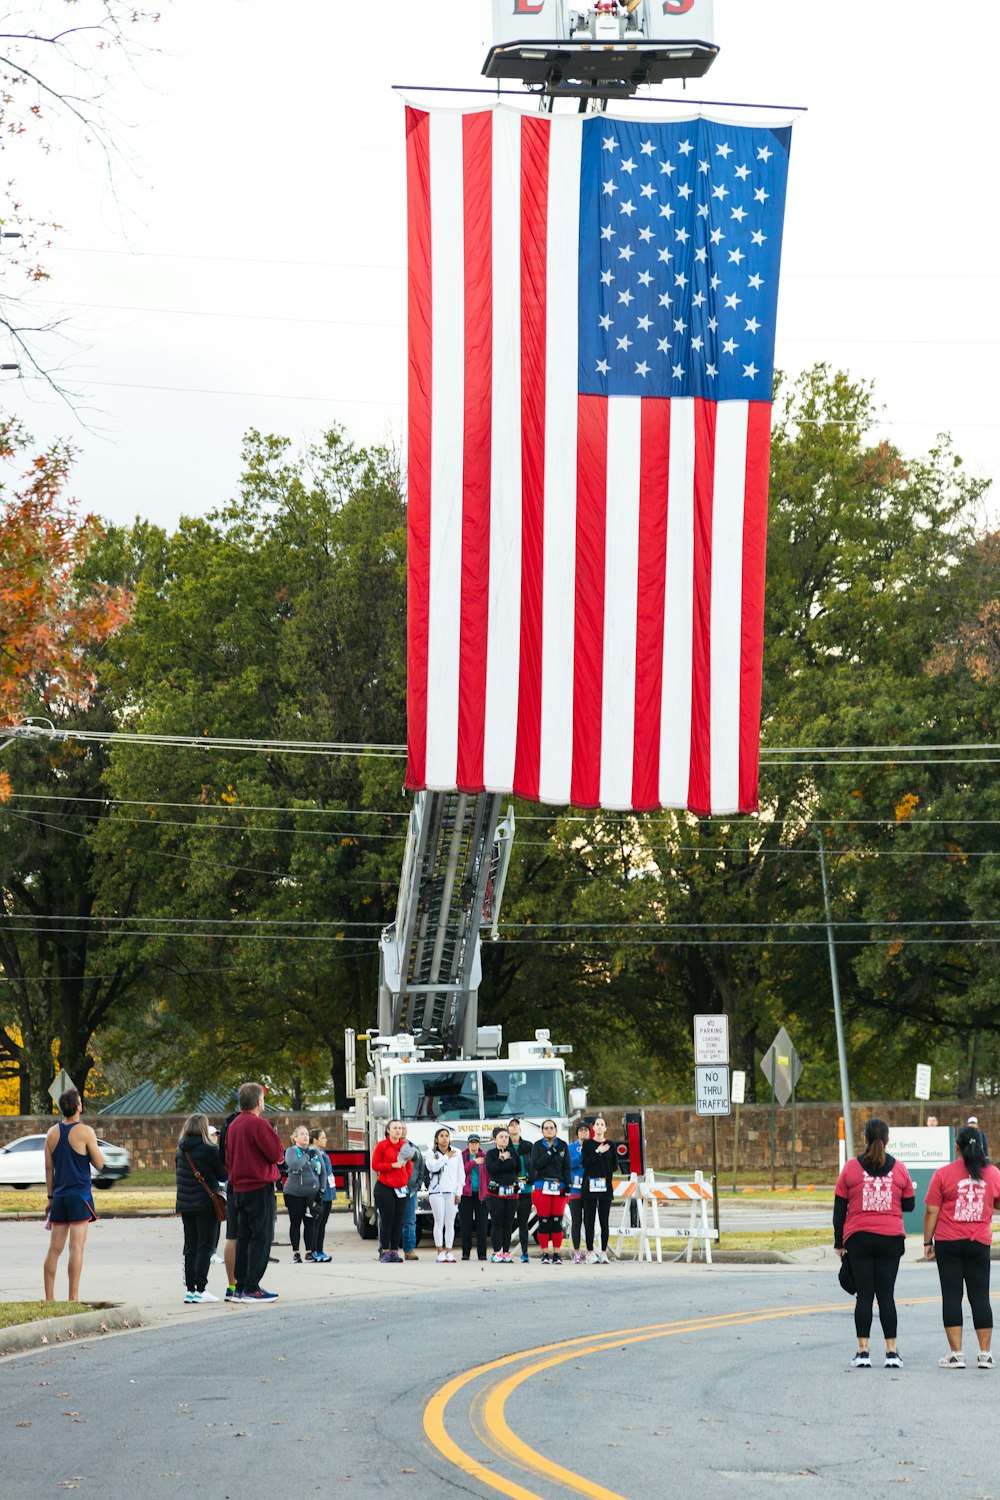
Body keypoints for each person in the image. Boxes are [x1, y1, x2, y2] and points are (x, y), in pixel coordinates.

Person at [834, 1117, 915, 1369]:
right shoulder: (899, 1168)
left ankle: (863, 1351)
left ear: (865, 1139)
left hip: (859, 1239)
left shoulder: (850, 1168)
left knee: (864, 1297)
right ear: (888, 1140)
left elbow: (839, 1209)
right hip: (890, 1239)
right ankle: (891, 1352)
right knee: (887, 1296)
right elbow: (909, 1204)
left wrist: (839, 1242)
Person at [924, 1124, 1000, 1368]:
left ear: (956, 1146)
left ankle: (956, 1354)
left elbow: (932, 1210)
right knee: (980, 1296)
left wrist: (928, 1241)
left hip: (949, 1242)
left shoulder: (943, 1174)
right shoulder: (993, 1173)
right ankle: (985, 1354)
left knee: (952, 1296)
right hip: (979, 1242)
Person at [224, 1081, 285, 1302]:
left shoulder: (234, 1125)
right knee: (261, 1236)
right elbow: (276, 1153)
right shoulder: (258, 1124)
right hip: (259, 1186)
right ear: (259, 1102)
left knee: (244, 1236)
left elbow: (228, 1157)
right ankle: (252, 1286)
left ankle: (240, 1285)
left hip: (239, 1187)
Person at [43, 1089, 103, 1303]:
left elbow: (49, 1169)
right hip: (80, 1195)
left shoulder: (51, 1133)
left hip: (59, 1196)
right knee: (76, 1247)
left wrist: (50, 1198)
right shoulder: (85, 1132)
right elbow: (99, 1163)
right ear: (78, 1107)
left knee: (54, 1249)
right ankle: (73, 1298)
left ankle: (49, 1299)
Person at [174, 1112, 225, 1304]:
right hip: (206, 1203)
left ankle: (190, 1290)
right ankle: (201, 1289)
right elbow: (222, 1174)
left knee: (190, 1246)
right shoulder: (210, 1149)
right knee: (205, 1246)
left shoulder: (181, 1150)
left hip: (186, 1204)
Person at [529, 1118, 571, 1265]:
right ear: (542, 1131)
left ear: (556, 1130)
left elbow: (567, 1167)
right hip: (542, 1186)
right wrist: (549, 1152)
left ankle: (557, 1254)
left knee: (556, 1221)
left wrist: (568, 1185)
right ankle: (545, 1253)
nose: (548, 1130)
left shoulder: (563, 1145)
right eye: (545, 1128)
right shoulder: (537, 1146)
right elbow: (536, 1165)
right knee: (544, 1220)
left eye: (551, 1127)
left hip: (559, 1186)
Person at [371, 1119, 412, 1263]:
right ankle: (385, 1251)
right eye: (395, 1128)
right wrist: (391, 1165)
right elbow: (375, 1165)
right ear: (388, 1130)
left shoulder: (405, 1146)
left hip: (401, 1188)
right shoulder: (382, 1146)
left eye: (400, 1128)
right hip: (385, 1187)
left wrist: (405, 1177)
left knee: (398, 1221)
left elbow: (409, 1165)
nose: (398, 1131)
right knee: (387, 1220)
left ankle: (395, 1251)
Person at [284, 1125, 321, 1264]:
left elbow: (321, 1171)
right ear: (295, 1138)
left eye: (306, 1134)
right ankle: (296, 1252)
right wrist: (306, 1156)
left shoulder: (314, 1152)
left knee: (310, 1223)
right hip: (294, 1193)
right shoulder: (291, 1151)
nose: (305, 1136)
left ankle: (309, 1252)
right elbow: (295, 1165)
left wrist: (321, 1189)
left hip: (311, 1194)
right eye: (301, 1134)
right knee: (296, 1223)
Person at [581, 1115, 616, 1263]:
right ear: (593, 1128)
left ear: (606, 1128)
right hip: (590, 1186)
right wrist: (598, 1152)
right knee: (589, 1220)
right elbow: (585, 1163)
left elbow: (614, 1165)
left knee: (604, 1220)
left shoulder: (611, 1144)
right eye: (597, 1124)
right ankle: (589, 1251)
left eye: (602, 1124)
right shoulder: (588, 1144)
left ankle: (603, 1252)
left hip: (605, 1187)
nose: (600, 1127)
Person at [426, 1127, 463, 1262]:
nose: (444, 1138)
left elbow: (461, 1174)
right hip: (436, 1192)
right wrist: (446, 1157)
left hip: (452, 1192)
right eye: (441, 1136)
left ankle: (449, 1251)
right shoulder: (431, 1153)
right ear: (436, 1139)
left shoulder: (457, 1153)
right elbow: (433, 1167)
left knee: (450, 1222)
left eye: (446, 1135)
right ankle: (440, 1251)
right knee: (439, 1221)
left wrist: (459, 1192)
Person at [485, 1126, 520, 1262]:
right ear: (495, 1139)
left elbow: (518, 1169)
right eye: (501, 1137)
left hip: (511, 1192)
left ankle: (506, 1252)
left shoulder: (513, 1153)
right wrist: (501, 1159)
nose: (504, 1139)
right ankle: (496, 1251)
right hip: (495, 1193)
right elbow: (491, 1170)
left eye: (506, 1137)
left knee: (508, 1223)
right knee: (497, 1223)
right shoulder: (491, 1154)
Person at [507, 1118, 534, 1264]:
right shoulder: (506, 1147)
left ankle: (525, 1253)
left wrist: (531, 1179)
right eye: (511, 1125)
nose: (514, 1127)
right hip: (511, 1190)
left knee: (523, 1223)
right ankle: (504, 1251)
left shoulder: (528, 1146)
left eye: (516, 1124)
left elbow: (533, 1164)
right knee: (508, 1222)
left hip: (526, 1189)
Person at [459, 1134, 490, 1262]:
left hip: (481, 1195)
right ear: (468, 1144)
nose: (474, 1145)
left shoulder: (485, 1157)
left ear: (479, 1144)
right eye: (471, 1142)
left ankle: (482, 1253)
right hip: (466, 1195)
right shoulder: (462, 1156)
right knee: (465, 1224)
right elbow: (461, 1171)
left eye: (476, 1142)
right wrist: (473, 1162)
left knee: (482, 1225)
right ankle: (465, 1253)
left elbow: (489, 1174)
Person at [397, 1126, 424, 1263]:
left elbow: (420, 1167)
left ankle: (409, 1250)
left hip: (411, 1190)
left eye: (403, 1128)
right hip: (393, 1189)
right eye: (398, 1128)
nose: (401, 1131)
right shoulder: (388, 1147)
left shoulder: (414, 1148)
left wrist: (418, 1183)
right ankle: (389, 1249)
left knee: (410, 1221)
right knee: (391, 1221)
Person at [309, 1127, 336, 1262]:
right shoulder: (312, 1153)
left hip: (328, 1192)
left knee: (322, 1223)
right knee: (317, 1223)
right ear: (315, 1140)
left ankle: (320, 1249)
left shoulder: (323, 1153)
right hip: (320, 1193)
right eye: (323, 1138)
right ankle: (313, 1250)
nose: (326, 1140)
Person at [568, 1121, 589, 1263]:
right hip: (575, 1189)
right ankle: (576, 1251)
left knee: (589, 1222)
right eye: (581, 1130)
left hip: (589, 1189)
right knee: (576, 1221)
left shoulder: (593, 1146)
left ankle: (589, 1251)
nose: (583, 1132)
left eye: (586, 1130)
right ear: (577, 1133)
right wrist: (582, 1155)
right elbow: (570, 1163)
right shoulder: (571, 1147)